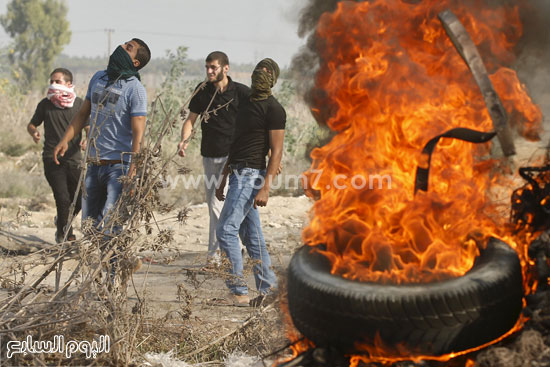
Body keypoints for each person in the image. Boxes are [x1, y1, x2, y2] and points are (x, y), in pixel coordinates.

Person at [53, 38, 151, 241]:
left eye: (128, 48)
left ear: (135, 63)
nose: (121, 47)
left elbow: (138, 135)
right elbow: (82, 114)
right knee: (89, 227)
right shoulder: (99, 77)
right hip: (94, 164)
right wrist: (65, 139)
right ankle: (104, 269)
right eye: (124, 44)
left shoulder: (135, 89)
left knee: (109, 225)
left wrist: (132, 171)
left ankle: (113, 271)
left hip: (119, 167)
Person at [215, 58, 286, 307]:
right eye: (259, 69)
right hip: (236, 172)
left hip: (251, 175)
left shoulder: (274, 109)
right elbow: (236, 143)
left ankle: (238, 291)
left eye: (268, 71)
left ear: (274, 79)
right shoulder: (244, 104)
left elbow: (276, 152)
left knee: (225, 230)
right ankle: (270, 292)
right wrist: (223, 177)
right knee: (252, 236)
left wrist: (266, 186)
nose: (261, 74)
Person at [177, 51, 250, 266]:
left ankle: (217, 256)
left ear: (225, 68)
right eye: (207, 67)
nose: (209, 71)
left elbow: (260, 118)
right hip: (210, 155)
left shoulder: (241, 93)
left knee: (219, 204)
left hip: (233, 157)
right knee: (215, 206)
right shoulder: (202, 91)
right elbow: (190, 120)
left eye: (214, 68)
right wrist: (184, 140)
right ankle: (230, 250)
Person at [27, 68, 85, 243]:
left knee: (80, 199)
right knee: (62, 198)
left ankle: (61, 221)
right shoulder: (45, 104)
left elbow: (88, 126)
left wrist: (88, 139)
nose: (53, 85)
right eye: (51, 81)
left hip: (74, 159)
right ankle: (65, 235)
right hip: (52, 159)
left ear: (69, 84)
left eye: (57, 82)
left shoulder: (79, 104)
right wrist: (34, 132)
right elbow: (31, 124)